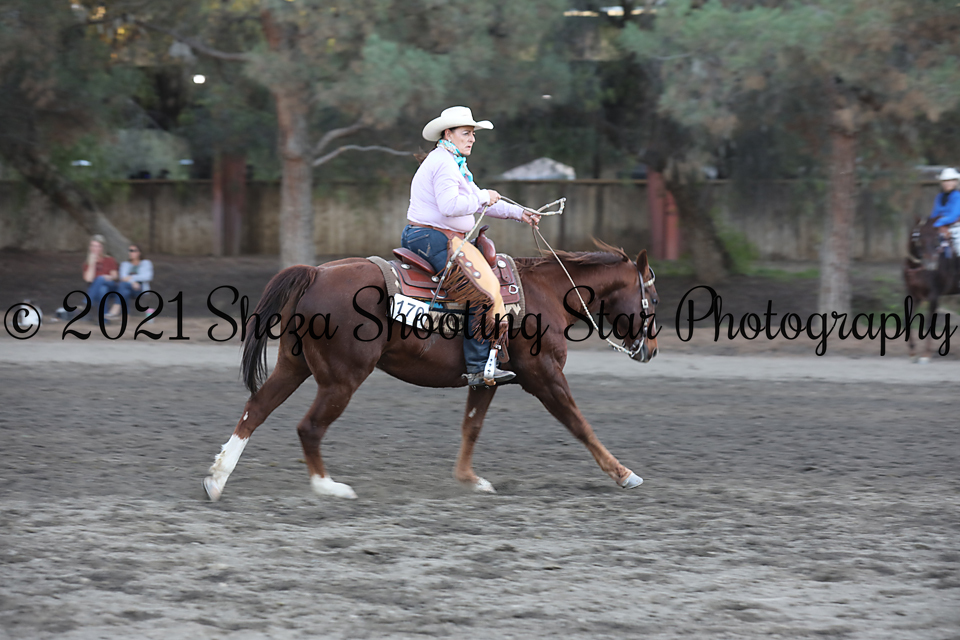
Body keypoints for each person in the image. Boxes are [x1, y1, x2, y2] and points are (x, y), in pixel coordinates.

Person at [403, 106, 541, 386]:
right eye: (466, 133)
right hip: (432, 238)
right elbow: (451, 206)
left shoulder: (453, 163)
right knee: (482, 292)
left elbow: (478, 202)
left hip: (435, 237)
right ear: (448, 134)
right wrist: (483, 196)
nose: (472, 138)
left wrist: (520, 213)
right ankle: (478, 367)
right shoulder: (444, 163)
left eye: (473, 134)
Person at [82, 234, 120, 314]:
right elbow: (89, 279)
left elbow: (115, 276)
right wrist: (92, 263)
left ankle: (88, 301)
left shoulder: (109, 259)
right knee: (102, 289)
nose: (95, 248)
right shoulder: (87, 263)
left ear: (102, 248)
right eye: (93, 246)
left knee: (100, 279)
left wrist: (107, 277)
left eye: (98, 246)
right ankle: (104, 318)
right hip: (97, 289)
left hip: (111, 286)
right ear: (90, 247)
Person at [114, 243, 154, 314]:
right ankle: (126, 316)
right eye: (130, 251)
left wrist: (131, 277)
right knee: (125, 291)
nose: (131, 253)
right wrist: (133, 282)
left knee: (123, 286)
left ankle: (116, 308)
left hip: (140, 289)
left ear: (139, 253)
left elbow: (148, 276)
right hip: (129, 287)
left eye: (133, 251)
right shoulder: (125, 264)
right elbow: (123, 278)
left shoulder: (146, 263)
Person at [930, 167, 960, 257]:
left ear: (955, 182)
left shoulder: (957, 196)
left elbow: (953, 216)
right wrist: (931, 222)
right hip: (940, 225)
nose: (947, 183)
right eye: (945, 181)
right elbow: (935, 213)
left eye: (950, 180)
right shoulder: (939, 197)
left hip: (955, 225)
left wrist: (936, 223)